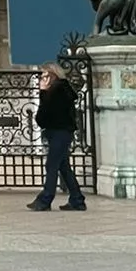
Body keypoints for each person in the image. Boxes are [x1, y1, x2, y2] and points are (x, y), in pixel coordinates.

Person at [29, 62, 85, 212]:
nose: (42, 78)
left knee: (52, 165)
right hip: (62, 132)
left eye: (45, 75)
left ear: (52, 76)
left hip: (59, 132)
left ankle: (45, 199)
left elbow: (43, 116)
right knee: (63, 166)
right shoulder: (63, 90)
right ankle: (77, 199)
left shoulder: (55, 92)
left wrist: (42, 92)